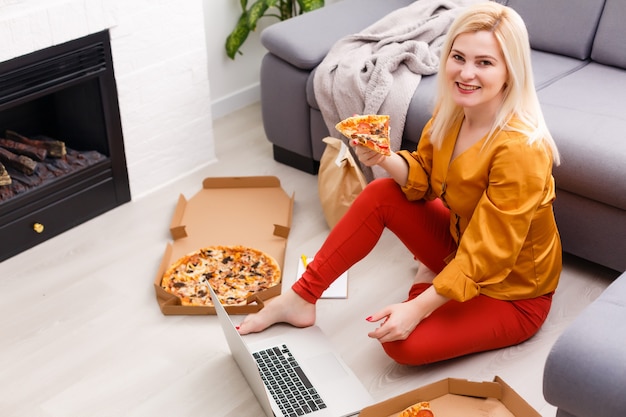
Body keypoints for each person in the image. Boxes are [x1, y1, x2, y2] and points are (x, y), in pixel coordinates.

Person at [238, 1, 563, 366]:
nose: (466, 73)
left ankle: (432, 278)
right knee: (381, 192)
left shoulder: (521, 149)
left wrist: (418, 306)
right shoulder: (453, 111)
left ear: (510, 71)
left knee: (401, 345)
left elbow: (488, 255)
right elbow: (424, 175)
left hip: (512, 293)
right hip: (461, 245)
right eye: (458, 57)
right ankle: (301, 297)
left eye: (484, 63)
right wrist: (384, 158)